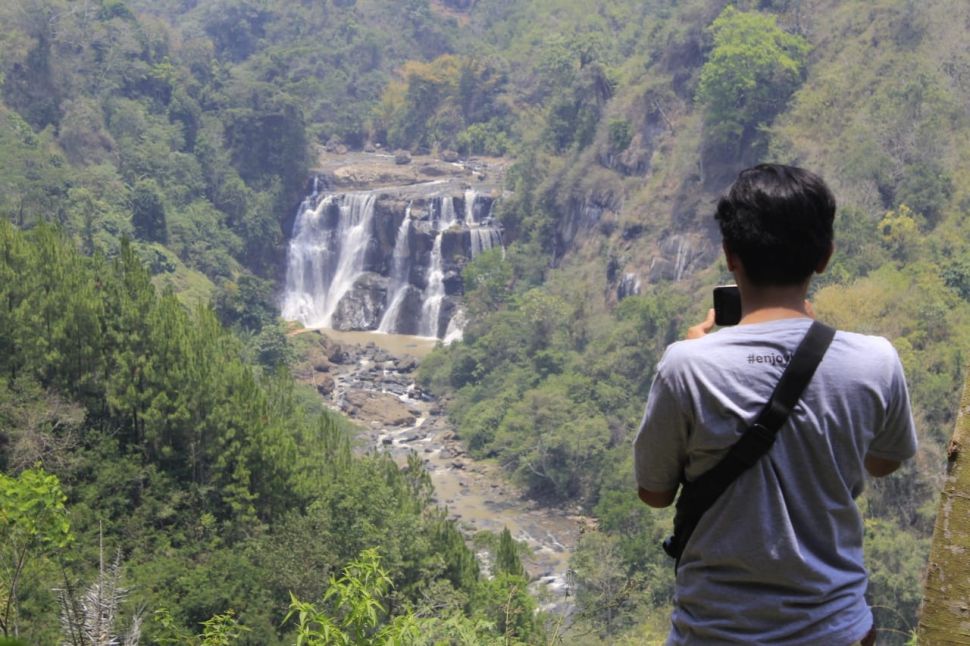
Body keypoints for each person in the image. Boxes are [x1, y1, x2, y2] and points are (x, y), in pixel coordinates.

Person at [633, 164, 917, 645]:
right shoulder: (875, 361)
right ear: (825, 256)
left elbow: (655, 493)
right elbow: (883, 462)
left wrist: (696, 352)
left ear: (731, 256)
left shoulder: (685, 367)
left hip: (714, 634)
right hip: (838, 632)